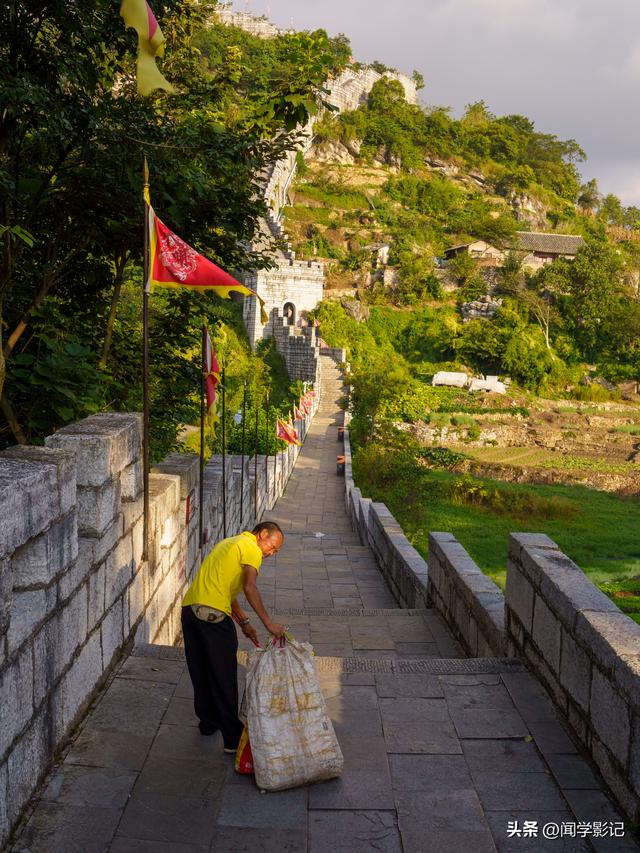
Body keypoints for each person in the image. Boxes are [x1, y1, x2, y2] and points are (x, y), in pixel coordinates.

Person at [181, 521, 286, 752]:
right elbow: (250, 587)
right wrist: (268, 624)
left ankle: (208, 723)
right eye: (273, 546)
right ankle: (232, 739)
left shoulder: (229, 543)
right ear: (263, 534)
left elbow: (225, 591)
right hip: (213, 617)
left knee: (201, 672)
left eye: (275, 551)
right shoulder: (251, 548)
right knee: (224, 676)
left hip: (190, 611)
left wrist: (244, 623)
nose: (271, 553)